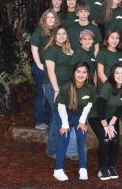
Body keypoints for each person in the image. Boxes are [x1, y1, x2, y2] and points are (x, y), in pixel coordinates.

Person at [52, 62, 95, 182]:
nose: (81, 74)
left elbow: (89, 104)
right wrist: (65, 125)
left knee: (81, 135)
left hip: (78, 113)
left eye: (84, 72)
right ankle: (58, 169)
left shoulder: (90, 88)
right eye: (78, 71)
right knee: (64, 135)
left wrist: (82, 121)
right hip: (62, 111)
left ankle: (83, 168)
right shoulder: (66, 86)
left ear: (88, 74)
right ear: (74, 72)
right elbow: (60, 106)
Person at [88, 64, 122, 181]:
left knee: (115, 140)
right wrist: (106, 126)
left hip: (111, 117)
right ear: (112, 74)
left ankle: (111, 166)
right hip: (96, 116)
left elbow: (121, 106)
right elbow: (100, 107)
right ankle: (102, 168)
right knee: (106, 139)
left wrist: (112, 123)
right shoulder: (108, 86)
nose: (120, 76)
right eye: (117, 73)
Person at [43, 26, 74, 159]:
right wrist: (56, 89)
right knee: (59, 117)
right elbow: (50, 71)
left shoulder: (68, 50)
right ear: (54, 36)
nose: (61, 36)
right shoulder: (51, 49)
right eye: (59, 34)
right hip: (53, 87)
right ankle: (52, 150)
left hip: (66, 88)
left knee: (56, 118)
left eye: (64, 34)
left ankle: (53, 148)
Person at [31, 9, 60, 130]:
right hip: (42, 68)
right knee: (41, 95)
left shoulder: (58, 31)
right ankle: (39, 121)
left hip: (54, 68)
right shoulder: (39, 31)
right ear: (44, 19)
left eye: (52, 17)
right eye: (48, 17)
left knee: (51, 94)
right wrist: (39, 64)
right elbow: (34, 48)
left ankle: (49, 120)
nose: (50, 19)